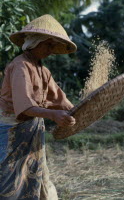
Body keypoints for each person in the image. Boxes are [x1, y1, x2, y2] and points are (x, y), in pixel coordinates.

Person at [0, 14, 77, 200]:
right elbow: (24, 106)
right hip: (12, 130)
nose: (50, 50)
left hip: (32, 130)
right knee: (10, 179)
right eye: (48, 45)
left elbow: (60, 99)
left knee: (33, 174)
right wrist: (53, 115)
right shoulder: (20, 66)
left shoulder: (43, 70)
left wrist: (81, 111)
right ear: (35, 42)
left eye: (53, 46)